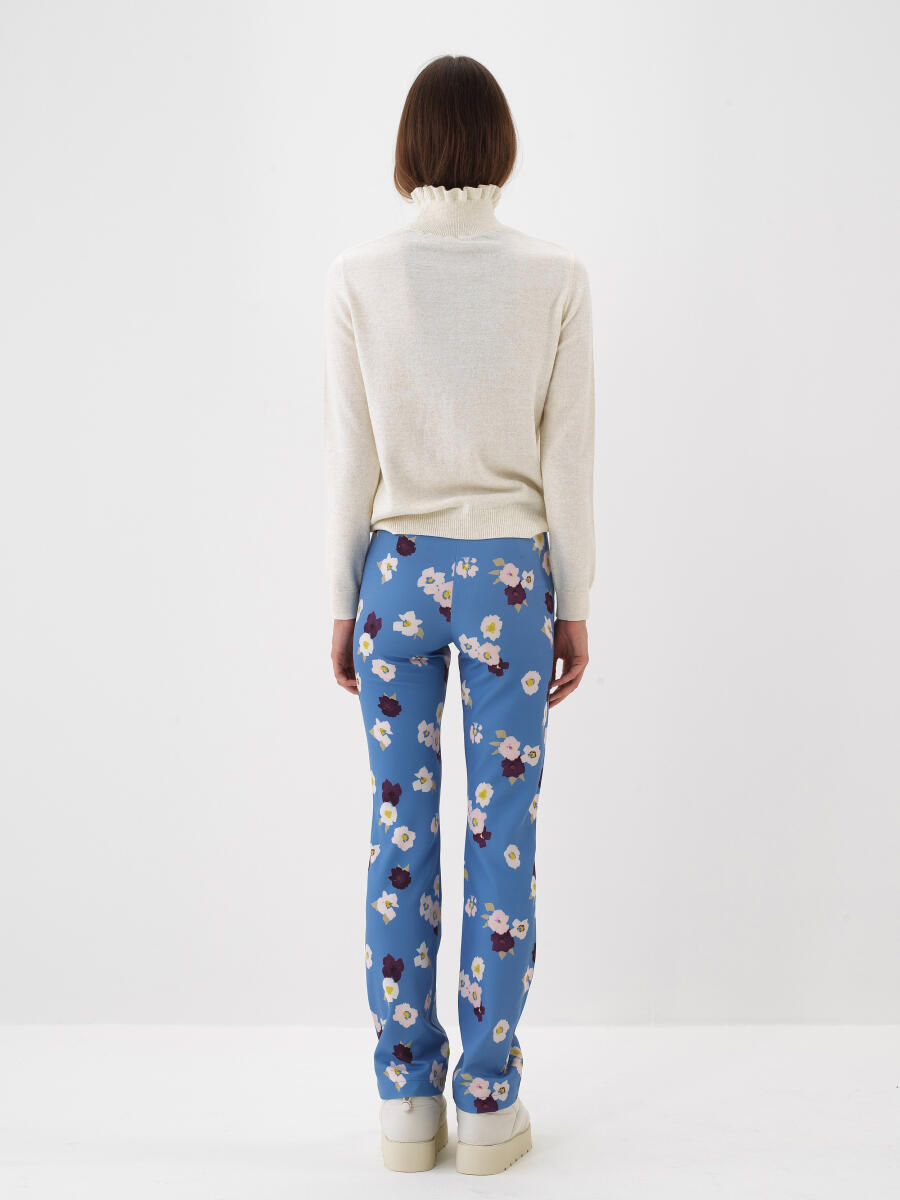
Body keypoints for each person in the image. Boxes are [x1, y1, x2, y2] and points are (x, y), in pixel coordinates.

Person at [322, 54, 596, 1175]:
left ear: (409, 148)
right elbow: (567, 459)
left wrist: (340, 599)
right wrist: (575, 598)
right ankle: (486, 1103)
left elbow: (350, 459)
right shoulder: (555, 276)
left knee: (400, 831)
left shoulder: (359, 275)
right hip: (512, 587)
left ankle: (405, 1103)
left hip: (393, 577)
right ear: (500, 145)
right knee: (501, 835)